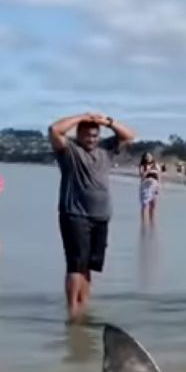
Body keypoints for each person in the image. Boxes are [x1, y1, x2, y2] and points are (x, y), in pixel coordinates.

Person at [48, 112, 137, 322]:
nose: (91, 139)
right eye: (87, 135)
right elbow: (54, 130)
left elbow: (130, 136)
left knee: (89, 266)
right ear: (78, 135)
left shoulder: (105, 150)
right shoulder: (70, 150)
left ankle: (84, 308)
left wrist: (107, 122)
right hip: (75, 214)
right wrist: (81, 117)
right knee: (76, 265)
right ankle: (72, 311)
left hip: (100, 216)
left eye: (95, 135)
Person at [139, 152, 161, 226]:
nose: (148, 158)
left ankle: (152, 221)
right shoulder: (142, 166)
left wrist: (158, 187)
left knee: (153, 205)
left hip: (154, 186)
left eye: (150, 156)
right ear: (144, 158)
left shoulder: (156, 165)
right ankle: (144, 223)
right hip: (145, 187)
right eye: (147, 156)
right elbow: (142, 176)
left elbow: (159, 176)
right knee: (145, 205)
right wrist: (148, 170)